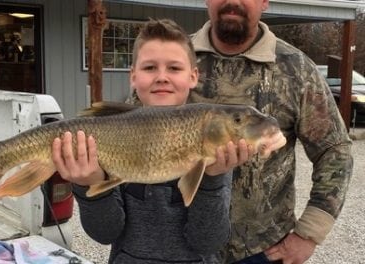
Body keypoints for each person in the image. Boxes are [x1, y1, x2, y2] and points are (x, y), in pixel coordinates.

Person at [52, 19, 256, 264]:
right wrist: (89, 184)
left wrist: (211, 180)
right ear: (133, 77)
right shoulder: (109, 133)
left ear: (193, 76)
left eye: (174, 68)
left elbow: (207, 241)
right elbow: (105, 233)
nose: (162, 77)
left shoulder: (215, 147)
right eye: (150, 68)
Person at [186, 0, 353, 263]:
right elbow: (136, 132)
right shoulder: (174, 61)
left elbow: (335, 150)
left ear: (264, 2)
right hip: (180, 245)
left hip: (262, 251)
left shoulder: (296, 69)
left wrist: (309, 233)